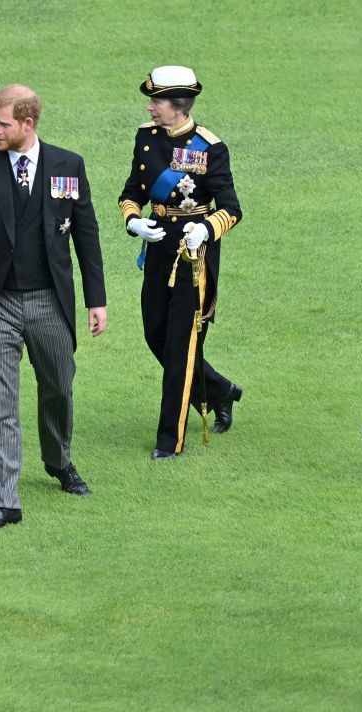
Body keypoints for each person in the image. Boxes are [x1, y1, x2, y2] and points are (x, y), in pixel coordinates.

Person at [0, 84, 107, 531]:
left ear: (27, 124)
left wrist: (97, 300)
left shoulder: (67, 166)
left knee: (58, 387)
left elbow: (86, 236)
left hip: (50, 302)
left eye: (3, 123)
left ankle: (58, 461)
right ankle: (6, 501)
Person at [118, 66, 243, 459]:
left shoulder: (210, 147)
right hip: (157, 250)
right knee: (156, 335)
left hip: (194, 259)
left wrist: (206, 229)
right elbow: (131, 191)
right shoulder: (145, 137)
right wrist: (134, 221)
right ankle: (220, 391)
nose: (151, 107)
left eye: (157, 101)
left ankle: (169, 441)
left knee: (180, 347)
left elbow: (232, 209)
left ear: (179, 106)